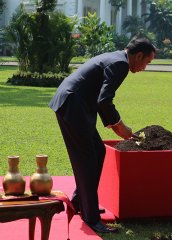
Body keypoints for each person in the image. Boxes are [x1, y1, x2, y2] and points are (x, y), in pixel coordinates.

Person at [49, 37, 156, 233]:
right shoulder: (120, 64)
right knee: (88, 159)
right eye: (147, 62)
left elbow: (101, 99)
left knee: (98, 152)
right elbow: (104, 100)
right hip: (72, 105)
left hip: (74, 104)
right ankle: (91, 218)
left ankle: (81, 201)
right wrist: (120, 126)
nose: (145, 67)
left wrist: (114, 125)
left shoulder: (117, 59)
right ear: (139, 55)